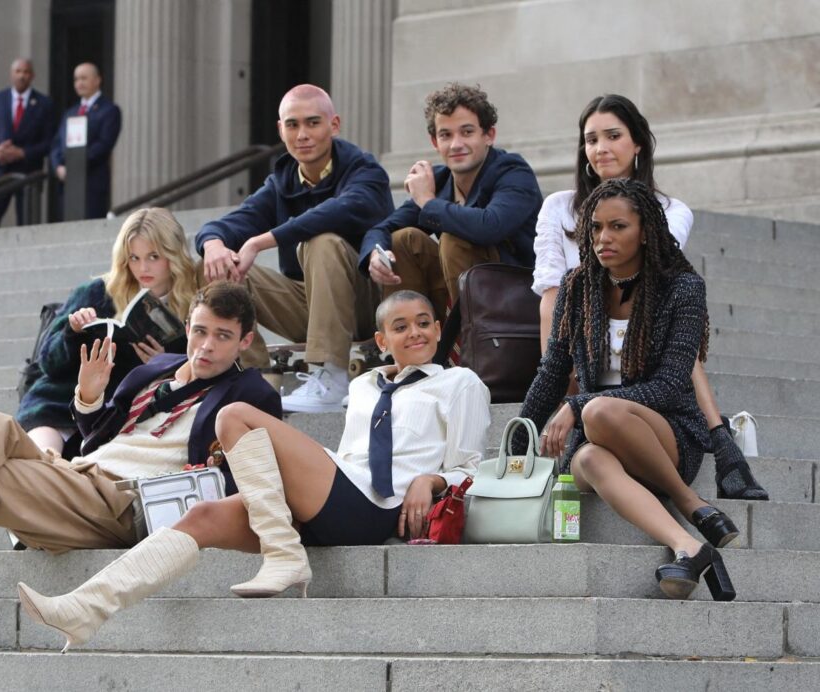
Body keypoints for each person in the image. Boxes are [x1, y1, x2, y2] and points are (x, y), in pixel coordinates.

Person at [16, 289, 490, 652]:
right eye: (401, 326)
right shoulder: (364, 387)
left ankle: (284, 554)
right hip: (338, 490)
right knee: (202, 517)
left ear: (438, 329)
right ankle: (84, 610)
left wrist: (432, 480)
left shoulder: (460, 382)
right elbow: (350, 456)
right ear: (382, 341)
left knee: (233, 416)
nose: (415, 333)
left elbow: (470, 468)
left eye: (424, 323)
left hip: (377, 506)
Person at [0, 282, 281, 651]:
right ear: (187, 327)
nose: (207, 345)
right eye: (201, 331)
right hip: (78, 473)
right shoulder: (156, 369)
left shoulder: (250, 394)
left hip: (123, 500)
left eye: (223, 336)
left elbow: (251, 475)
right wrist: (88, 396)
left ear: (244, 341)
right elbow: (100, 435)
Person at [531, 93, 768, 501]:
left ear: (638, 143)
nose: (600, 148)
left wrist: (580, 402)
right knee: (564, 315)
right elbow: (552, 289)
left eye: (613, 136)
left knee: (673, 321)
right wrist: (548, 398)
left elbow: (655, 279)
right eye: (591, 139)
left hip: (645, 346)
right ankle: (695, 509)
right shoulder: (559, 208)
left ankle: (716, 433)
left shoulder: (669, 212)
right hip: (582, 335)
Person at [519, 178, 738, 601]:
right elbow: (552, 372)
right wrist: (517, 442)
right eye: (595, 227)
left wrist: (579, 404)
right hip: (596, 438)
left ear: (646, 231)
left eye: (617, 227)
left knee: (599, 411)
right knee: (588, 456)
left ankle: (685, 497)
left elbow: (670, 388)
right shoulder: (577, 287)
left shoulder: (682, 289)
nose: (603, 238)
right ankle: (689, 545)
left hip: (664, 436)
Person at [196, 84, 394, 412]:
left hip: (367, 304)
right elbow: (233, 222)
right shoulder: (281, 182)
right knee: (219, 266)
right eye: (292, 125)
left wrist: (259, 241)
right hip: (308, 306)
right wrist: (214, 243)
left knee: (322, 241)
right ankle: (252, 376)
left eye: (312, 123)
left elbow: (333, 213)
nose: (302, 134)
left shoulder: (364, 171)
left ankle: (330, 375)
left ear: (334, 125)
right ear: (280, 130)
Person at [17, 207, 199, 455]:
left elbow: (201, 370)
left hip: (119, 416)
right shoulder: (97, 292)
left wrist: (163, 363)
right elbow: (48, 363)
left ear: (172, 254)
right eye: (134, 258)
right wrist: (72, 331)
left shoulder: (193, 303)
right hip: (59, 402)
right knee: (45, 459)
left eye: (153, 257)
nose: (143, 268)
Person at [361, 82, 542, 312]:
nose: (456, 144)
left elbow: (490, 226)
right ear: (435, 142)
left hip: (517, 301)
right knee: (402, 240)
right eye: (446, 135)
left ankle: (469, 334)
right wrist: (376, 254)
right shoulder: (438, 180)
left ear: (489, 135)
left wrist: (427, 202)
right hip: (459, 296)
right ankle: (408, 330)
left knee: (455, 239)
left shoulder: (513, 172)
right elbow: (383, 229)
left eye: (467, 132)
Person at [0, 58, 56, 229]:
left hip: (28, 170)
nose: (22, 76)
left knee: (27, 221)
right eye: (18, 71)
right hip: (1, 170)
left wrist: (23, 153)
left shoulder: (45, 104)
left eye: (26, 72)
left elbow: (49, 142)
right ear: (11, 74)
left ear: (32, 76)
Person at [49, 62, 122, 219]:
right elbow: (56, 144)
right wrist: (58, 166)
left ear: (97, 80)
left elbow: (104, 144)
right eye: (76, 79)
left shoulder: (109, 110)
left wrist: (75, 165)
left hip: (92, 183)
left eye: (84, 78)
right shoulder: (70, 112)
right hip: (68, 185)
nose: (79, 83)